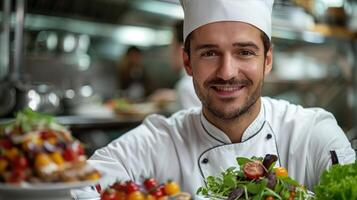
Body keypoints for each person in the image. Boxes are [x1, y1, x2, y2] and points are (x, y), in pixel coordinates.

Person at [74, 0, 356, 197]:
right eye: (209, 53)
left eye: (245, 52)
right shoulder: (159, 139)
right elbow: (75, 188)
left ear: (267, 60)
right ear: (187, 62)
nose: (227, 72)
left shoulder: (312, 134)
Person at [149, 21, 201, 109]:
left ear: (181, 50)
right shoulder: (193, 82)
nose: (168, 53)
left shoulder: (186, 87)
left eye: (171, 45)